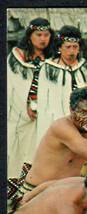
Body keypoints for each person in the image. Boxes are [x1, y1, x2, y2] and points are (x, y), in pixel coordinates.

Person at [36, 25, 87, 144]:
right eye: (67, 47)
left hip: (85, 125)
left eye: (75, 47)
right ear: (59, 48)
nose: (71, 51)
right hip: (58, 124)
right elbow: (44, 105)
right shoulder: (48, 70)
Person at [7, 17, 54, 178]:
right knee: (17, 152)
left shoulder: (53, 59)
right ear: (30, 36)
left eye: (46, 35)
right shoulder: (17, 57)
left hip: (44, 116)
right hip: (20, 117)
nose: (42, 39)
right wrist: (25, 105)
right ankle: (13, 195)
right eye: (38, 35)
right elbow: (13, 86)